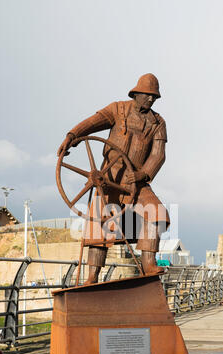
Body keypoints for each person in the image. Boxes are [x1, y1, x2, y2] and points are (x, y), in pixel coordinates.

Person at [57, 73, 170, 284]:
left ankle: (148, 264)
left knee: (157, 213)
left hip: (136, 182)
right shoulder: (117, 110)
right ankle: (91, 278)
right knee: (99, 228)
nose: (151, 99)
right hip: (108, 179)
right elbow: (92, 123)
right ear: (136, 94)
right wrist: (72, 136)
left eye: (154, 97)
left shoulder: (158, 123)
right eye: (147, 95)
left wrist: (142, 174)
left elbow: (158, 155)